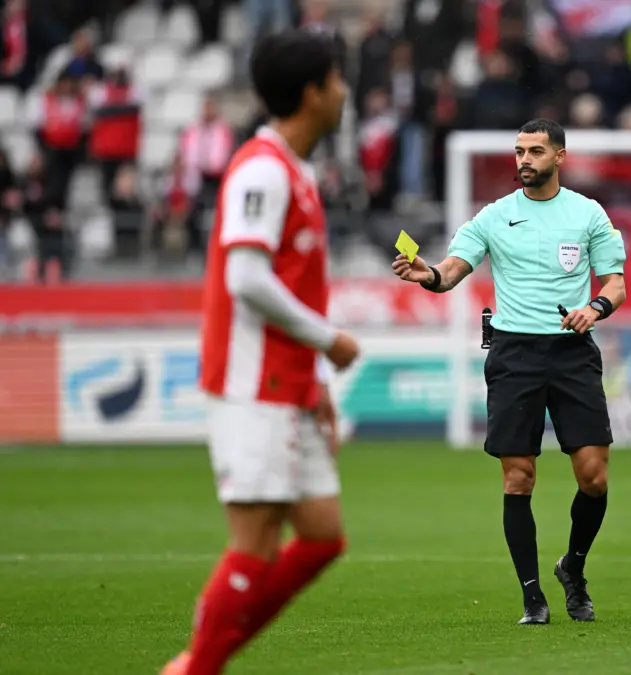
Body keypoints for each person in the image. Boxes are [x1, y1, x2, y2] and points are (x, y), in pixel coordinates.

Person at [161, 28, 359, 675]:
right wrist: (328, 340)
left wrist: (314, 376)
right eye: (336, 80)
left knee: (322, 535)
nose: (344, 92)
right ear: (313, 92)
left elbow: (285, 282)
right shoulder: (263, 170)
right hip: (253, 384)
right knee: (254, 543)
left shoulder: (294, 171)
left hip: (288, 382)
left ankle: (196, 662)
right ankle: (197, 668)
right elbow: (244, 276)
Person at [392, 119, 627, 624]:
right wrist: (426, 274)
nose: (525, 159)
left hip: (572, 351)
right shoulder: (494, 217)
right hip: (515, 354)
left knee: (594, 475)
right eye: (520, 151)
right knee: (519, 477)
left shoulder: (588, 213)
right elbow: (449, 272)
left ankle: (573, 568)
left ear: (559, 157)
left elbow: (615, 284)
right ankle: (532, 598)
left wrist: (595, 308)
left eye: (535, 151)